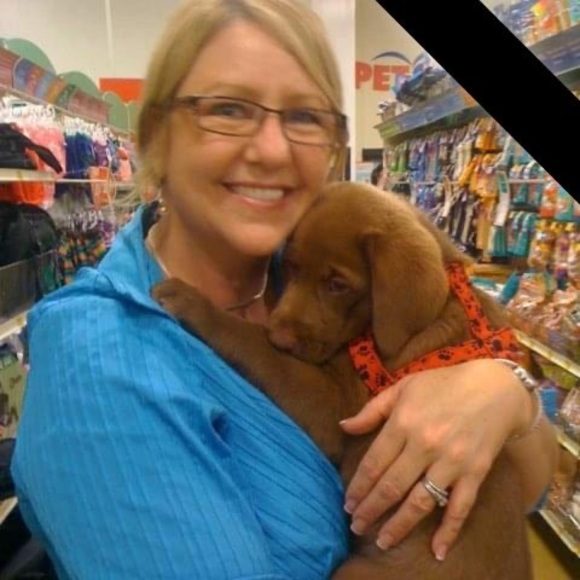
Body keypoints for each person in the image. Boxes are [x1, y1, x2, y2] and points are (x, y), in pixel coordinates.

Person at [11, 1, 558, 578]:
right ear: (154, 136)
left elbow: (530, 488)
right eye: (227, 109)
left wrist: (506, 395)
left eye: (305, 117)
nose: (272, 149)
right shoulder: (98, 360)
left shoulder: (304, 263)